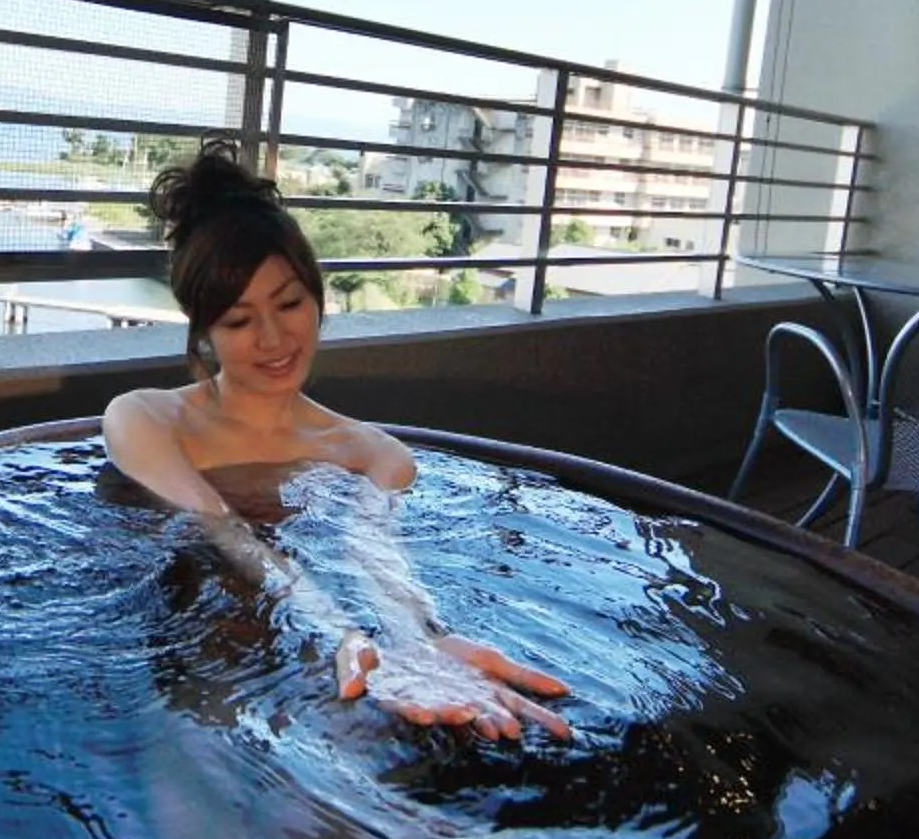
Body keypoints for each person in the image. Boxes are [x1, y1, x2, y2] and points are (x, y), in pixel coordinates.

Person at [102, 138, 573, 740]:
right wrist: (334, 628)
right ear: (204, 333)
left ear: (318, 298)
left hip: (312, 658)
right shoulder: (146, 418)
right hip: (191, 657)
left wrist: (419, 635)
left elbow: (372, 551)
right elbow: (219, 526)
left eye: (289, 304)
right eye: (239, 320)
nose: (273, 338)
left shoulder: (376, 454)